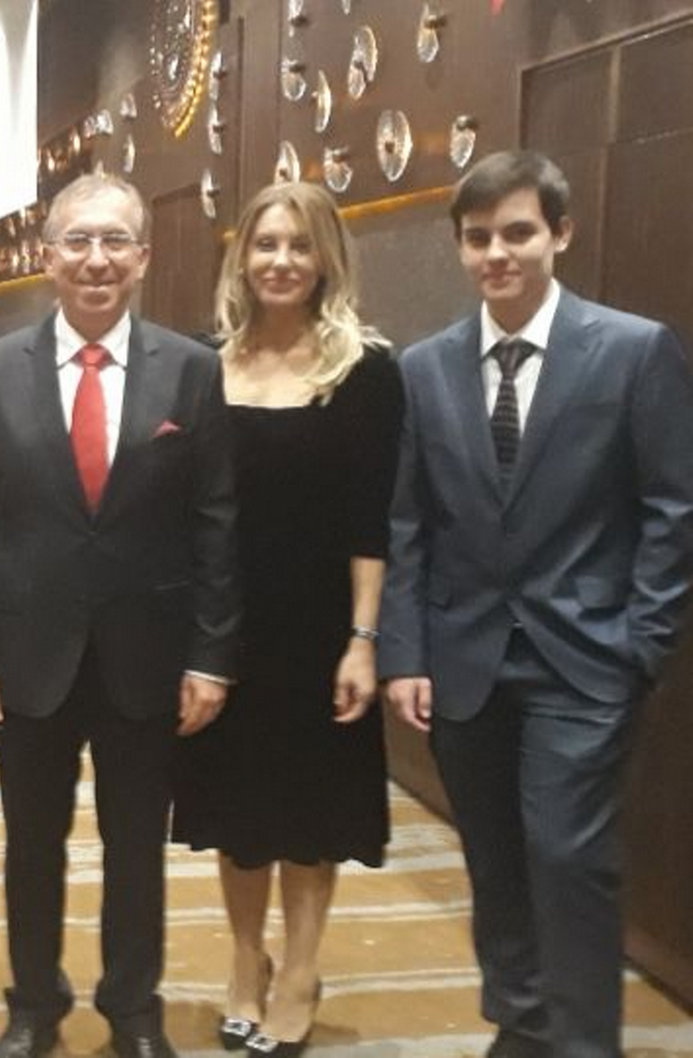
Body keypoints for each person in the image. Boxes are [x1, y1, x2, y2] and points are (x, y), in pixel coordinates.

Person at [378, 150, 693, 1058]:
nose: (497, 254)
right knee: (495, 856)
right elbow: (408, 522)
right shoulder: (426, 367)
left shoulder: (632, 350)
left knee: (568, 856)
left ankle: (585, 1041)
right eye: (478, 237)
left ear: (560, 233)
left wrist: (643, 641)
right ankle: (522, 1022)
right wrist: (406, 652)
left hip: (587, 658)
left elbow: (673, 508)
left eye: (517, 233)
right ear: (460, 247)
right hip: (464, 660)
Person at [0, 173, 240, 1058]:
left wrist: (211, 656)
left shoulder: (191, 369)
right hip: (24, 656)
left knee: (135, 849)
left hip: (147, 658)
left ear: (143, 257)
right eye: (77, 241)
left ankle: (133, 1011)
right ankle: (34, 1005)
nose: (96, 260)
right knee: (32, 847)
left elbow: (217, 522)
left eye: (115, 241)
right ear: (48, 257)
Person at [171, 181, 403, 1058]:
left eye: (300, 246)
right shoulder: (203, 364)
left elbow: (372, 521)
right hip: (224, 624)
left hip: (320, 629)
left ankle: (300, 972)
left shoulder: (365, 369)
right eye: (266, 244)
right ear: (242, 258)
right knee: (237, 812)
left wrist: (363, 640)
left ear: (326, 259)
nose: (281, 261)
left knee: (311, 813)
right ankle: (246, 962)